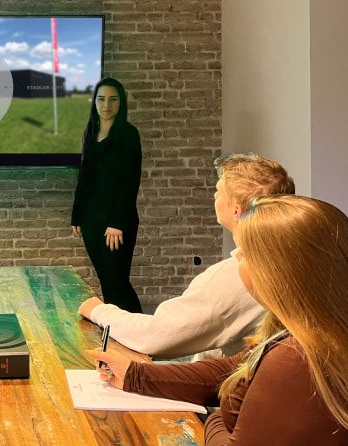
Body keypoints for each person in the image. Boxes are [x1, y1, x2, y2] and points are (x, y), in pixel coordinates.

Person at [89, 195, 348, 444]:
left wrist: (215, 419)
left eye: (244, 254)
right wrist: (135, 375)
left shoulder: (296, 357)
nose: (237, 261)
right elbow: (234, 368)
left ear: (275, 270)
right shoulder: (307, 331)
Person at [79, 153, 295, 358]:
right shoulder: (296, 259)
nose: (214, 195)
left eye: (219, 191)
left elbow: (155, 337)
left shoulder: (235, 277)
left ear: (236, 210)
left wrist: (98, 310)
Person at [71, 78, 143, 313]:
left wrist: (117, 223)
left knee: (118, 283)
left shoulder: (128, 134)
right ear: (95, 102)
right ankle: (117, 336)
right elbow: (86, 177)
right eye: (101, 99)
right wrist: (77, 215)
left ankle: (140, 338)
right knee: (106, 282)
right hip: (91, 220)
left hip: (115, 223)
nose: (106, 105)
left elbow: (130, 182)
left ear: (121, 103)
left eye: (113, 99)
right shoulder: (90, 132)